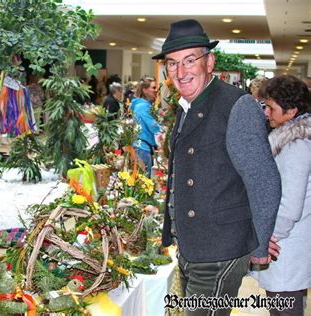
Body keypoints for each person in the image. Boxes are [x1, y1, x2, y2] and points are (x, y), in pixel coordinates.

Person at [152, 19, 281, 315]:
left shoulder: (237, 105)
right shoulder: (188, 104)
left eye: (189, 60)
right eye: (172, 64)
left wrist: (259, 246)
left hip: (219, 251)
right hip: (192, 247)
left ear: (209, 62)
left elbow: (264, 181)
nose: (180, 72)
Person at [252, 75, 311, 316]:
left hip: (285, 244)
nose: (266, 112)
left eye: (271, 107)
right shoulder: (289, 139)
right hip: (286, 243)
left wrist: (270, 236)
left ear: (291, 111)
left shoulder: (296, 144)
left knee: (285, 306)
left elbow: (290, 203)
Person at [131, 77, 161, 177]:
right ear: (145, 90)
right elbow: (154, 127)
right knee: (144, 181)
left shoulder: (143, 105)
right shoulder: (143, 107)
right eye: (153, 87)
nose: (156, 90)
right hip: (142, 148)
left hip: (142, 147)